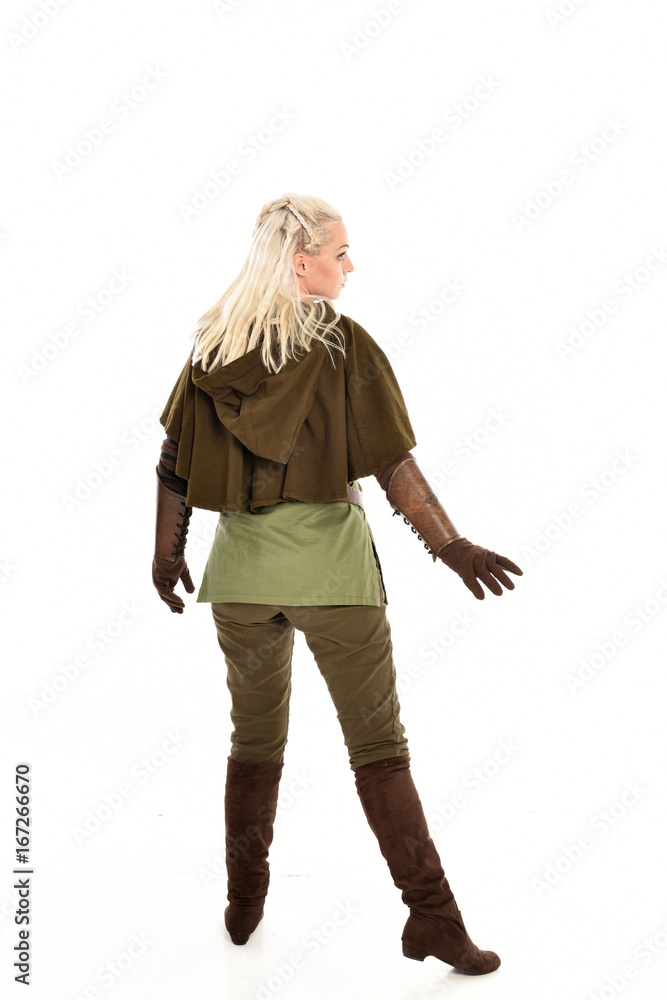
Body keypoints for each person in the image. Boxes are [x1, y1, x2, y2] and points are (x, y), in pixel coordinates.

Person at [152, 193, 522, 975]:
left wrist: (166, 553)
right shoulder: (340, 343)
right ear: (301, 263)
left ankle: (244, 903)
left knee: (252, 742)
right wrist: (450, 545)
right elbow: (391, 464)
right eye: (340, 252)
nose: (350, 266)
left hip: (240, 580)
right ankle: (433, 919)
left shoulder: (213, 349)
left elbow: (173, 463)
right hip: (332, 580)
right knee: (379, 749)